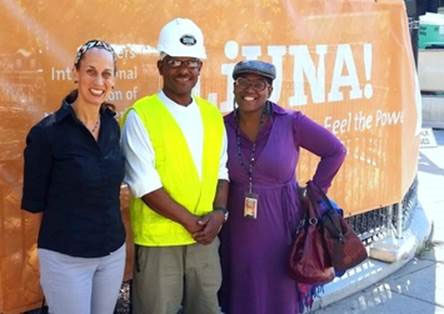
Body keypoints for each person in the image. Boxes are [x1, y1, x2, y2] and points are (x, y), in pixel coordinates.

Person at [218, 60, 347, 314]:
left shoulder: (291, 122)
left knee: (280, 293)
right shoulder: (222, 126)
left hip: (282, 226)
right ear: (234, 87)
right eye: (243, 82)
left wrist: (313, 193)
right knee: (241, 291)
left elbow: (335, 151)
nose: (250, 89)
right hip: (237, 230)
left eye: (259, 84)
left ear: (270, 90)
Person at [120, 18, 229, 314]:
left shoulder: (211, 115)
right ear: (160, 66)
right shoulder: (140, 115)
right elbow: (144, 185)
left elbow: (222, 172)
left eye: (192, 62)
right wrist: (194, 224)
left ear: (201, 68)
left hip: (204, 239)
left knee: (206, 308)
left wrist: (220, 214)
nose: (184, 69)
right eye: (176, 61)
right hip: (160, 244)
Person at [21, 39, 126, 314]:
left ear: (113, 79)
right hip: (66, 259)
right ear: (75, 73)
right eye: (91, 71)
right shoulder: (47, 134)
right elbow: (34, 205)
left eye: (106, 73)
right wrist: (43, 261)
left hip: (112, 255)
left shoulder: (113, 128)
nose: (99, 81)